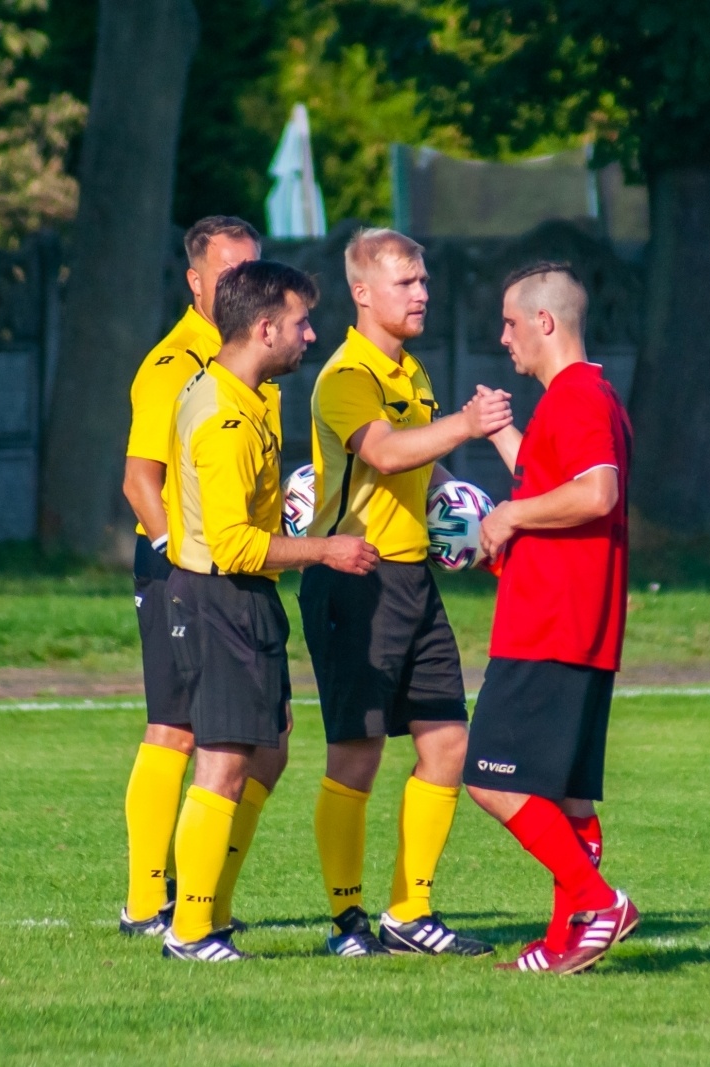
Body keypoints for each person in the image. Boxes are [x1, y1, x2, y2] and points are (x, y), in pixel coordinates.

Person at [300, 229, 510, 958]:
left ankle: (409, 914)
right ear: (362, 293)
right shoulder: (345, 376)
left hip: (412, 576)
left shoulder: (410, 370)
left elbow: (419, 466)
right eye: (405, 283)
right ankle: (346, 922)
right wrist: (467, 425)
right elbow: (386, 453)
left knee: (448, 742)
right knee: (355, 754)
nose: (422, 294)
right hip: (353, 580)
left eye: (423, 281)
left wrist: (467, 515)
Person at [161, 260, 379, 961]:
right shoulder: (224, 416)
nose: (311, 334)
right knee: (223, 762)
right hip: (219, 596)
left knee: (270, 750)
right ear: (263, 328)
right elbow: (231, 545)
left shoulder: (253, 394)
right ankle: (191, 929)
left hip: (244, 599)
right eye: (301, 323)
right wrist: (325, 549)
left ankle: (212, 911)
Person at [464, 261, 637, 975]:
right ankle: (568, 939)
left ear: (544, 321)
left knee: (491, 778)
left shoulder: (578, 398)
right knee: (566, 797)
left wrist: (508, 515)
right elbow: (552, 483)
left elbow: (596, 493)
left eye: (510, 323)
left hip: (549, 624)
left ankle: (598, 904)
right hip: (574, 623)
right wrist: (501, 436)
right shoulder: (580, 398)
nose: (503, 337)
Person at [119, 216, 266, 937]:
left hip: (226, 567)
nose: (241, 285)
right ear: (195, 281)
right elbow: (138, 480)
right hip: (182, 569)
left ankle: (199, 894)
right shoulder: (174, 364)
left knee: (263, 739)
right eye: (228, 274)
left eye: (251, 272)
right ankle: (149, 902)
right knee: (176, 730)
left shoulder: (248, 356)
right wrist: (179, 556)